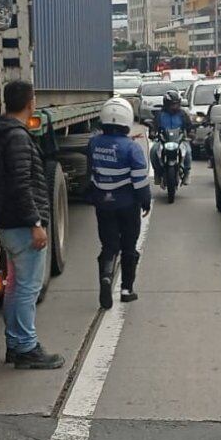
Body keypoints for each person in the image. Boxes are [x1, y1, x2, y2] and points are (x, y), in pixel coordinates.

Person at [0, 80, 64, 370]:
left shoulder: (4, 131)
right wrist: (35, 222)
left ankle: (17, 344)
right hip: (21, 224)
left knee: (16, 286)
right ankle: (25, 347)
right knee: (26, 288)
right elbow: (21, 185)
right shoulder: (17, 137)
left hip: (9, 222)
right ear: (30, 103)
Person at [88, 98, 151, 309]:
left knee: (109, 245)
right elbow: (140, 180)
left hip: (103, 205)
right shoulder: (132, 148)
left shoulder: (94, 143)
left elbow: (91, 172)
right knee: (128, 247)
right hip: (127, 205)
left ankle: (106, 277)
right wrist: (146, 202)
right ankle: (126, 290)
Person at [149, 89, 194, 186]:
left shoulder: (182, 114)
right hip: (163, 140)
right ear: (166, 104)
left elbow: (189, 126)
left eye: (177, 104)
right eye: (173, 104)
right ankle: (157, 173)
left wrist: (191, 133)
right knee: (153, 151)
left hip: (180, 140)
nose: (175, 106)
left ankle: (186, 173)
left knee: (188, 152)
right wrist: (152, 132)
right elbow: (154, 126)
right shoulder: (160, 114)